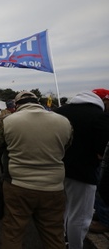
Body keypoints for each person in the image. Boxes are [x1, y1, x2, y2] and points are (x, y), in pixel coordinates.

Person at [0, 91, 73, 248]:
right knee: (53, 234)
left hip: (18, 184)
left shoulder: (9, 121)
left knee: (13, 232)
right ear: (38, 101)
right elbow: (67, 146)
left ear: (17, 104)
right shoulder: (64, 122)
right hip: (54, 186)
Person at [54, 89, 109, 248]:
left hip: (58, 169)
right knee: (80, 217)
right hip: (83, 173)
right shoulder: (100, 117)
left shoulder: (59, 111)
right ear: (101, 100)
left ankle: (62, 241)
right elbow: (101, 152)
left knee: (64, 211)